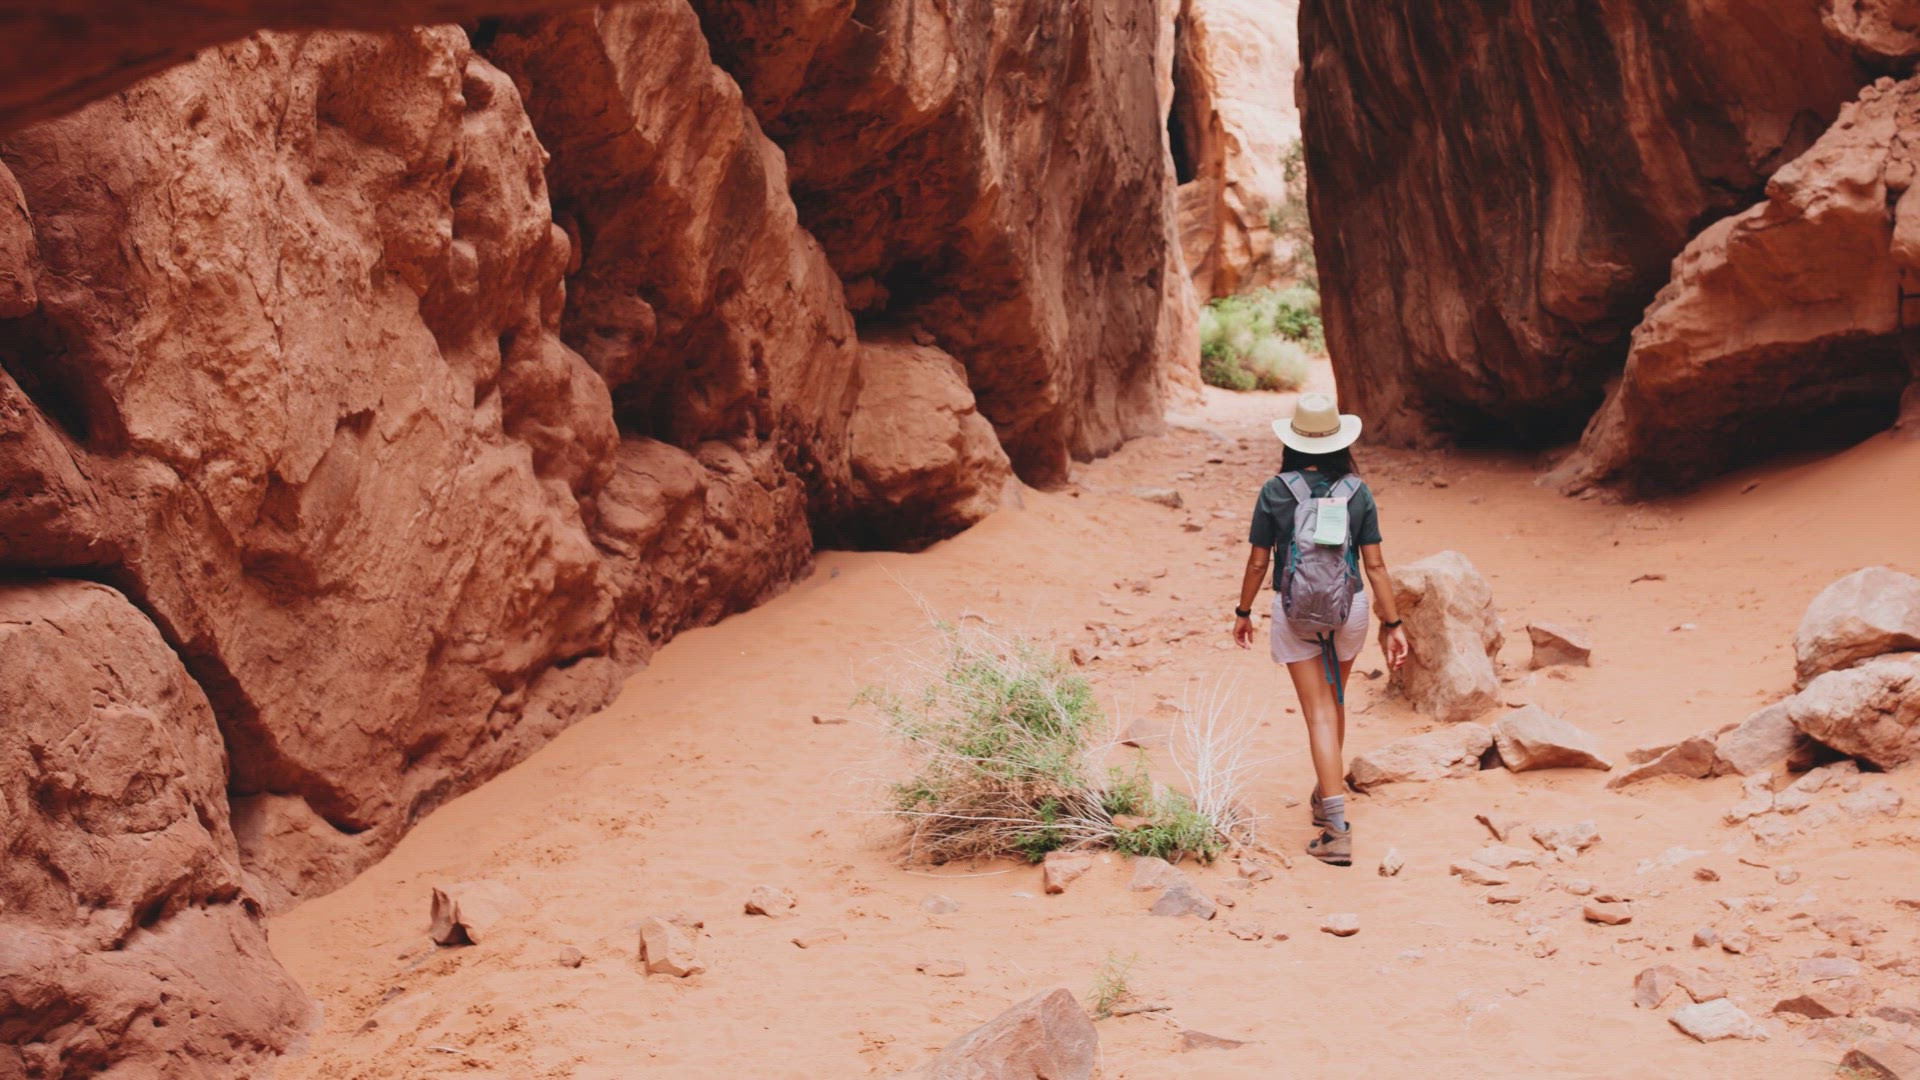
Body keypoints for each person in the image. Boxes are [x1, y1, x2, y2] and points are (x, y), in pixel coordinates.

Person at [1231, 393, 1410, 866]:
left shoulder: (1275, 491)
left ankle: (1336, 830)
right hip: (1348, 609)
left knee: (1318, 715)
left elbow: (1257, 562)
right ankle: (1324, 794)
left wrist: (1243, 611)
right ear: (1339, 441)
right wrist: (1393, 623)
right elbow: (1375, 565)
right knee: (1335, 703)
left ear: (1293, 441)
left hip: (1294, 612)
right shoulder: (1357, 492)